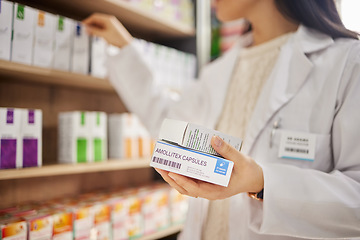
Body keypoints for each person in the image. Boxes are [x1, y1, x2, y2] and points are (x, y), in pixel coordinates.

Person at [83, 0, 360, 239]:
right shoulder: (218, 71)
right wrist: (125, 48)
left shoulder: (347, 63)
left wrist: (262, 183)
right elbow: (168, 126)